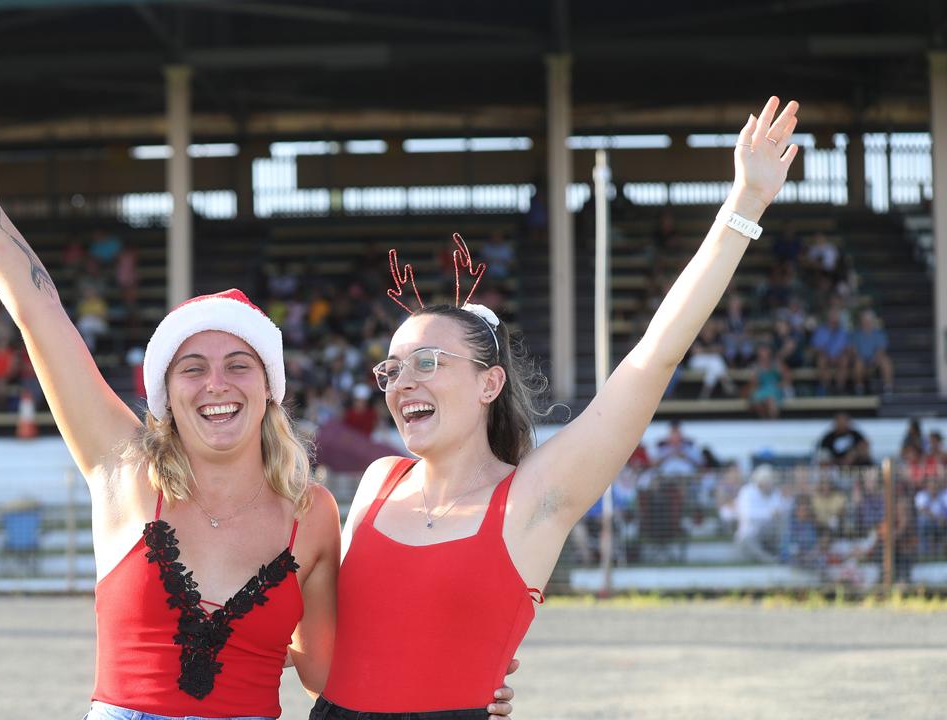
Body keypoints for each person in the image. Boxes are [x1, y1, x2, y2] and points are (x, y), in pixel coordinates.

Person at [0, 100, 516, 719]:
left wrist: (461, 676)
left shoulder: (314, 514)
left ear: (268, 387)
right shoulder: (122, 472)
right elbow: (39, 313)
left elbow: (331, 672)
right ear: (167, 393)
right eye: (192, 368)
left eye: (238, 365)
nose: (216, 384)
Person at [319, 97, 801, 719]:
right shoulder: (377, 483)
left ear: (490, 384)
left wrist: (745, 203)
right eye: (391, 368)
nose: (401, 381)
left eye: (429, 362)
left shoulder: (534, 498)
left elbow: (651, 359)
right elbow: (326, 639)